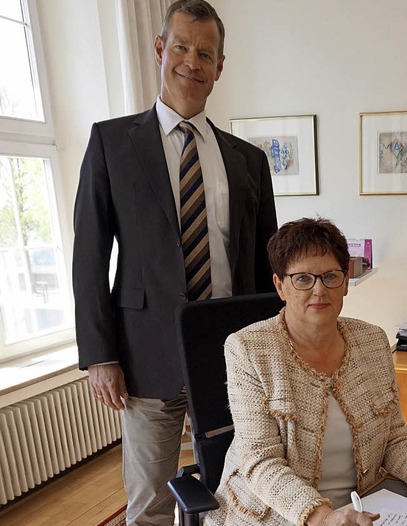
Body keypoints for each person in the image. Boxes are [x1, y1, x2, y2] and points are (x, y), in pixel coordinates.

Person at [72, 1, 277, 524]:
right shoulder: (112, 143)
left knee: (245, 485)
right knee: (150, 501)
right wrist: (100, 355)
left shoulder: (247, 159)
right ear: (160, 49)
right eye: (182, 47)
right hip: (146, 357)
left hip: (233, 357)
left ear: (220, 66)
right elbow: (89, 254)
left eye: (206, 53)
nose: (193, 61)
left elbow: (264, 262)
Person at [205, 218, 407, 526]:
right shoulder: (249, 349)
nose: (319, 290)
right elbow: (261, 462)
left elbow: (393, 438)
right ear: (280, 285)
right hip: (274, 516)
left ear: (346, 281)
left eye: (330, 276)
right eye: (303, 279)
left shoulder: (374, 342)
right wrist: (322, 517)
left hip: (363, 509)